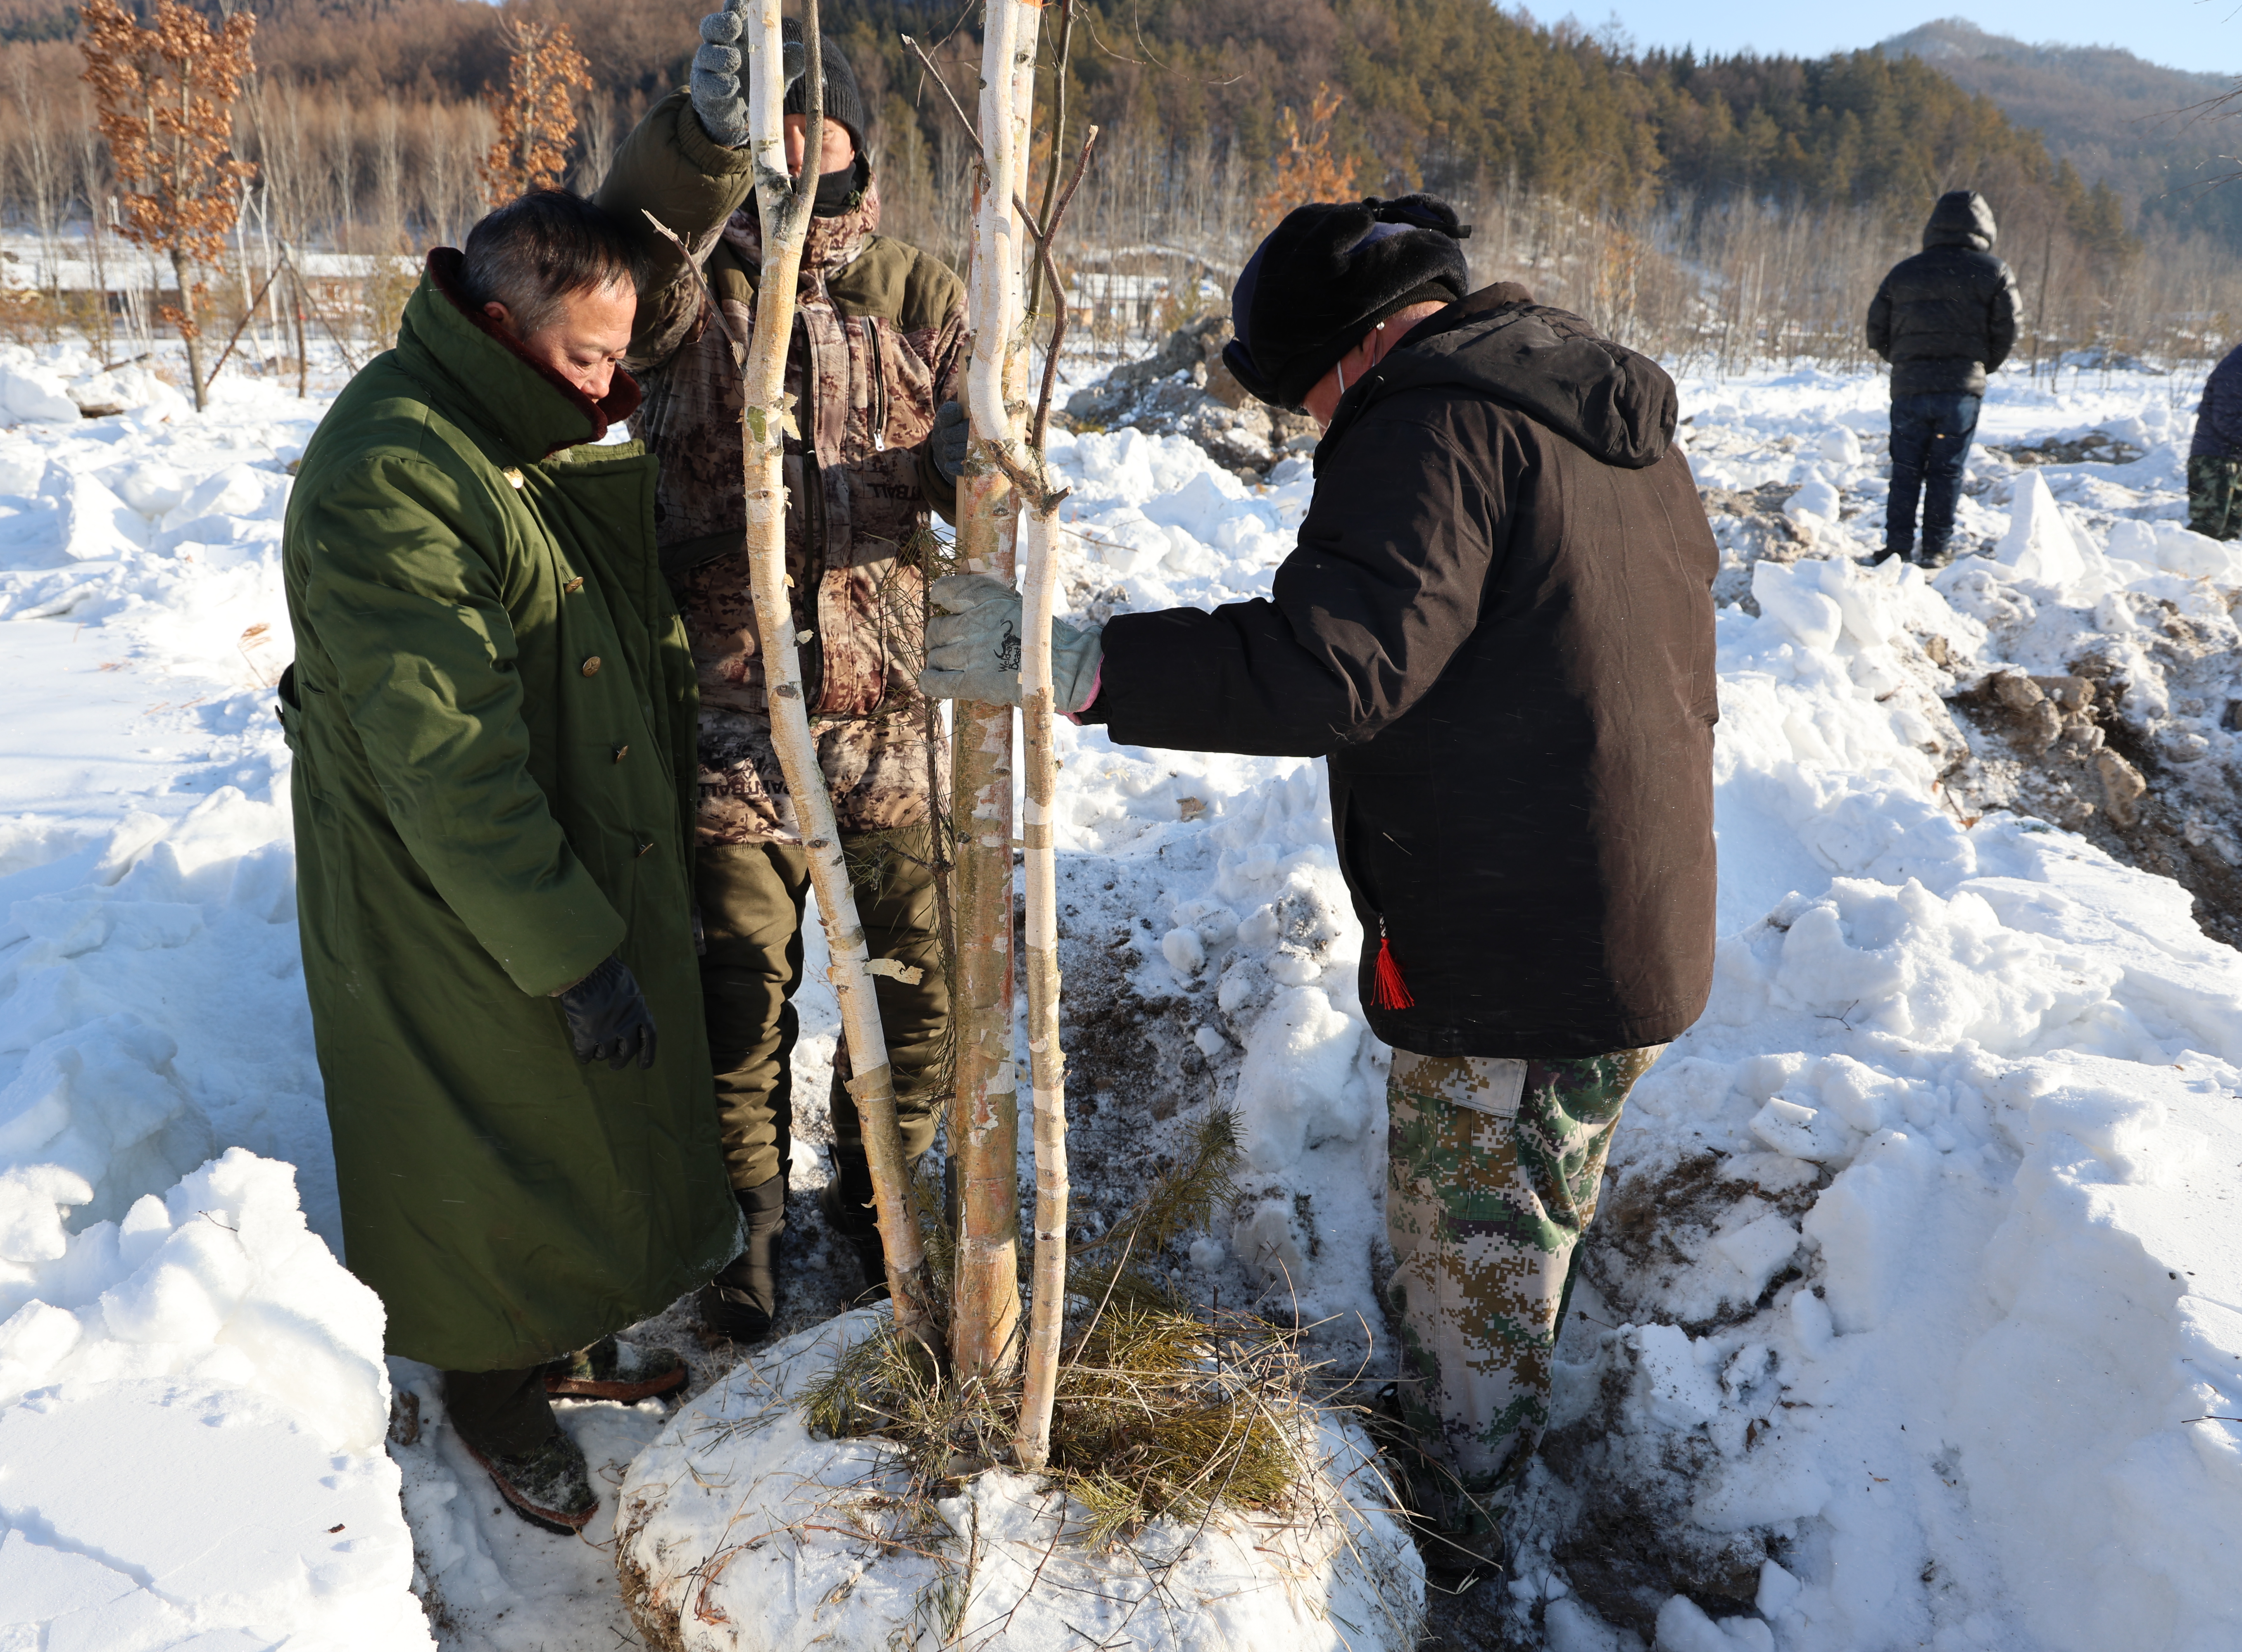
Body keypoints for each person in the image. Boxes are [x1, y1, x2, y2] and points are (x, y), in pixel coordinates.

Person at [919, 195, 1720, 1576]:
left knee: (1466, 1255)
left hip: (1511, 942)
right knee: (1541, 1204)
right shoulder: (1593, 413)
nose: (1308, 429)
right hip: (1630, 913)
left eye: (1302, 401)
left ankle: (1454, 1545)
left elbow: (1341, 663)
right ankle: (1507, 1441)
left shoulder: (1429, 421)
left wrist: (1087, 663)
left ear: (1345, 353)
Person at [278, 191, 738, 1533]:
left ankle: (555, 1333)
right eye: (592, 361)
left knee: (568, 1124)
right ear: (498, 324)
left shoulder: (490, 421)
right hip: (448, 890)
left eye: (624, 361)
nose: (615, 391)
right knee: (478, 1133)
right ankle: (487, 1384)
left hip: (537, 856)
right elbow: (451, 765)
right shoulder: (397, 473)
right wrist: (573, 949)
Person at [592, 1, 970, 1343]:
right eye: (779, 126)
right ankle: (743, 1234)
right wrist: (700, 137)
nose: (806, 147)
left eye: (827, 124)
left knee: (910, 989)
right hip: (727, 723)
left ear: (863, 140)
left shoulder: (922, 291)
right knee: (736, 995)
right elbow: (627, 242)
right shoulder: (690, 286)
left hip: (890, 723)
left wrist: (976, 458)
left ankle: (887, 1213)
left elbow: (973, 461)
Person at [1866, 190, 2022, 567]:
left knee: (1905, 471)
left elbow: (1876, 331)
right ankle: (1936, 549)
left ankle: (1897, 548)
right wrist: (1979, 366)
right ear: (1985, 227)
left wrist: (1906, 361)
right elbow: (2009, 330)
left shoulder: (1904, 272)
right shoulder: (1994, 271)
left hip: (1910, 387)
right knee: (1947, 470)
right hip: (1960, 390)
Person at [2190, 340, 2242, 541]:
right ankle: (2185, 570)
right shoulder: (2236, 367)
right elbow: (2226, 418)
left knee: (2230, 533)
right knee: (2208, 530)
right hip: (2215, 460)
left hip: (2233, 458)